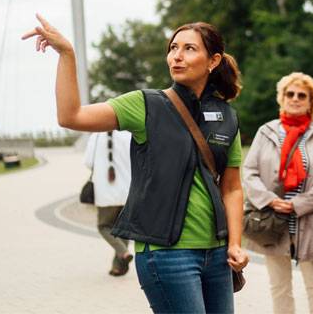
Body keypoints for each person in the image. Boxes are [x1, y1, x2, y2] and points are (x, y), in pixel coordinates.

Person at [22, 17, 249, 313]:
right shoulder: (145, 104)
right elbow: (71, 116)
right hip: (166, 255)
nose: (177, 56)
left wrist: (234, 243)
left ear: (213, 60)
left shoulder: (226, 116)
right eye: (173, 48)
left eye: (189, 49)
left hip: (218, 254)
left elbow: (231, 188)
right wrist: (67, 55)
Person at [242, 72, 313, 314]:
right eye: (290, 94)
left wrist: (299, 204)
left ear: (310, 102)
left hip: (310, 219)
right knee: (279, 286)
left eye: (301, 95)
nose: (295, 99)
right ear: (281, 98)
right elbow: (249, 171)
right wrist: (269, 200)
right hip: (272, 220)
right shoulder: (266, 131)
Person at [83, 130, 134, 276]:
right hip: (127, 190)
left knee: (103, 226)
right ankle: (118, 267)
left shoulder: (96, 136)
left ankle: (123, 252)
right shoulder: (129, 135)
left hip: (105, 192)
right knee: (122, 229)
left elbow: (88, 162)